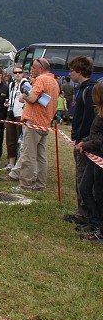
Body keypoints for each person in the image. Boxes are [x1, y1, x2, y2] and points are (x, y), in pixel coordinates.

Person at [9, 57, 60, 192]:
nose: (31, 70)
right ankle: (40, 185)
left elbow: (32, 98)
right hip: (45, 122)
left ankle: (25, 184)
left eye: (33, 68)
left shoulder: (41, 79)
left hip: (34, 121)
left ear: (40, 69)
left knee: (28, 154)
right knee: (41, 156)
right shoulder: (54, 81)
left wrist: (24, 95)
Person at [65, 56, 97, 226]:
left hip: (84, 141)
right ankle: (81, 212)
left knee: (83, 179)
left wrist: (81, 139)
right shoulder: (83, 88)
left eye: (71, 70)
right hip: (81, 139)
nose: (69, 73)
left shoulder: (88, 90)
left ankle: (86, 215)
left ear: (79, 71)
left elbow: (88, 119)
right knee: (80, 177)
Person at [76, 82, 103, 243]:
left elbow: (100, 140)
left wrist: (86, 144)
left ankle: (100, 230)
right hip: (95, 156)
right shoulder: (99, 113)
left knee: (99, 195)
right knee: (85, 188)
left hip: (100, 159)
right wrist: (84, 141)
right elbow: (95, 135)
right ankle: (94, 223)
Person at [2, 66, 28, 173]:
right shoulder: (12, 84)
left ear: (23, 73)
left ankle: (20, 166)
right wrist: (8, 104)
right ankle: (11, 163)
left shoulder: (25, 84)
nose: (17, 74)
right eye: (15, 72)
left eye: (19, 72)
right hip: (11, 113)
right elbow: (10, 97)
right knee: (10, 140)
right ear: (12, 74)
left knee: (20, 141)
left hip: (21, 115)